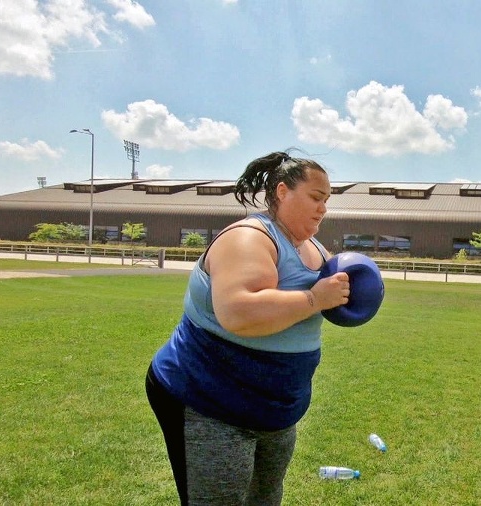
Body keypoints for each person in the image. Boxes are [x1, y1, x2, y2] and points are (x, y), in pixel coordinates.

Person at [145, 151, 351, 505]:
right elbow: (239, 313)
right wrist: (315, 299)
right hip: (208, 399)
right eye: (316, 198)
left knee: (265, 499)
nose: (323, 209)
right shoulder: (249, 238)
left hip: (276, 410)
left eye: (326, 201)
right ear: (283, 192)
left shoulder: (313, 247)